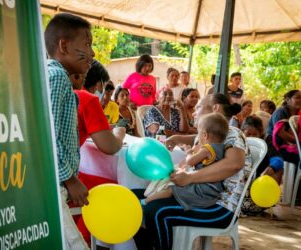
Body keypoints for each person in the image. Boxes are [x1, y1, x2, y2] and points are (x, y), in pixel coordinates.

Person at [133, 93, 251, 250]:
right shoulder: (213, 135)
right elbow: (199, 138)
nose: (194, 112)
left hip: (219, 205)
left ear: (215, 108)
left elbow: (234, 164)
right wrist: (178, 138)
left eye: (199, 107)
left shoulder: (232, 133)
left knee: (155, 210)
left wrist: (189, 178)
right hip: (197, 195)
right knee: (133, 199)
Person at [44, 13, 94, 249]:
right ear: (63, 45)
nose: (92, 53)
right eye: (87, 44)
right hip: (54, 183)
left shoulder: (55, 76)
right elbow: (47, 134)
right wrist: (69, 178)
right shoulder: (57, 77)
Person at [71, 60, 125, 245]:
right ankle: (89, 241)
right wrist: (119, 132)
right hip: (67, 178)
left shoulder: (54, 92)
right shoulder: (87, 99)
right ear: (97, 84)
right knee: (111, 187)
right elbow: (110, 147)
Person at [144, 113, 229, 211]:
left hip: (203, 189)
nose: (198, 137)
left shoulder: (206, 149)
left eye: (199, 133)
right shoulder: (222, 148)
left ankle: (146, 202)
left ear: (205, 135)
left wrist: (189, 152)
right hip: (214, 189)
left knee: (171, 188)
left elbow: (190, 161)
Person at [266, 90, 301, 165]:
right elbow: (280, 133)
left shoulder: (298, 113)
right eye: (297, 97)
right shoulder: (281, 112)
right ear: (288, 100)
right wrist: (298, 141)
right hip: (274, 146)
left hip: (289, 145)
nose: (300, 100)